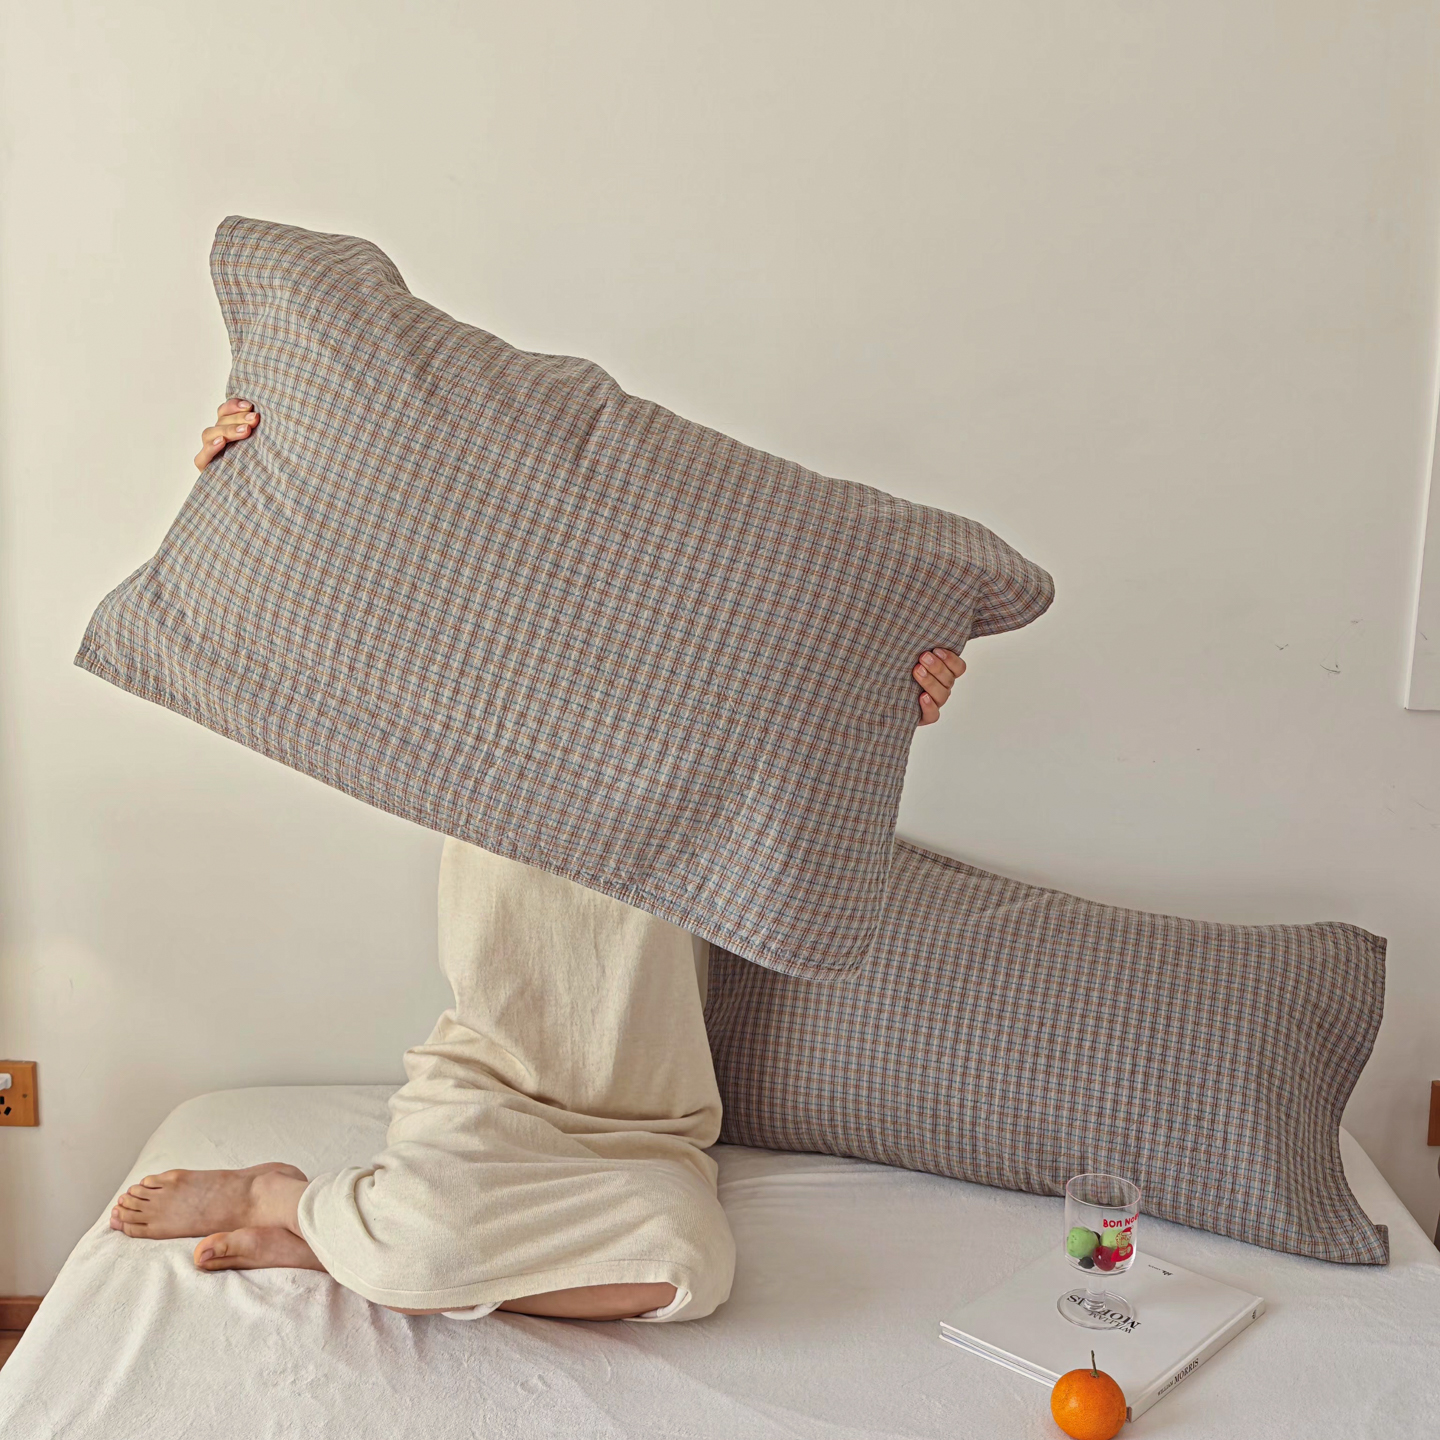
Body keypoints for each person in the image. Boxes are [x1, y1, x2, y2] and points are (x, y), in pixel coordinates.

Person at [109, 402, 967, 1324]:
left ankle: (340, 1242)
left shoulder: (718, 756)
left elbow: (813, 740)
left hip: (648, 1129)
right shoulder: (489, 714)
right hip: (485, 1094)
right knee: (430, 1240)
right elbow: (348, 584)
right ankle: (283, 1198)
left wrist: (890, 696)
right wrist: (252, 473)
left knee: (687, 1274)